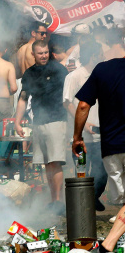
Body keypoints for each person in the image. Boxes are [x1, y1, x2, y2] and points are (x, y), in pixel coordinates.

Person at [15, 40, 68, 215]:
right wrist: (17, 121)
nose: (44, 55)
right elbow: (23, 98)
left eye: (46, 52)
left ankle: (59, 200)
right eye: (40, 53)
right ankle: (53, 200)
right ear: (33, 54)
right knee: (47, 163)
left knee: (56, 160)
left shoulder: (59, 69)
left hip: (56, 120)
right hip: (38, 121)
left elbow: (69, 94)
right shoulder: (29, 74)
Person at [73, 55, 125, 224]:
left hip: (111, 145)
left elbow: (83, 105)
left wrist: (77, 137)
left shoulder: (103, 69)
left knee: (122, 195)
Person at [63, 37, 107, 211]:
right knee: (82, 172)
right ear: (94, 55)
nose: (104, 57)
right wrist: (84, 123)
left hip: (100, 134)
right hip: (80, 137)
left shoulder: (101, 75)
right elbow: (68, 103)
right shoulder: (74, 76)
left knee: (102, 172)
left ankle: (92, 197)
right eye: (101, 54)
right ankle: (82, 206)